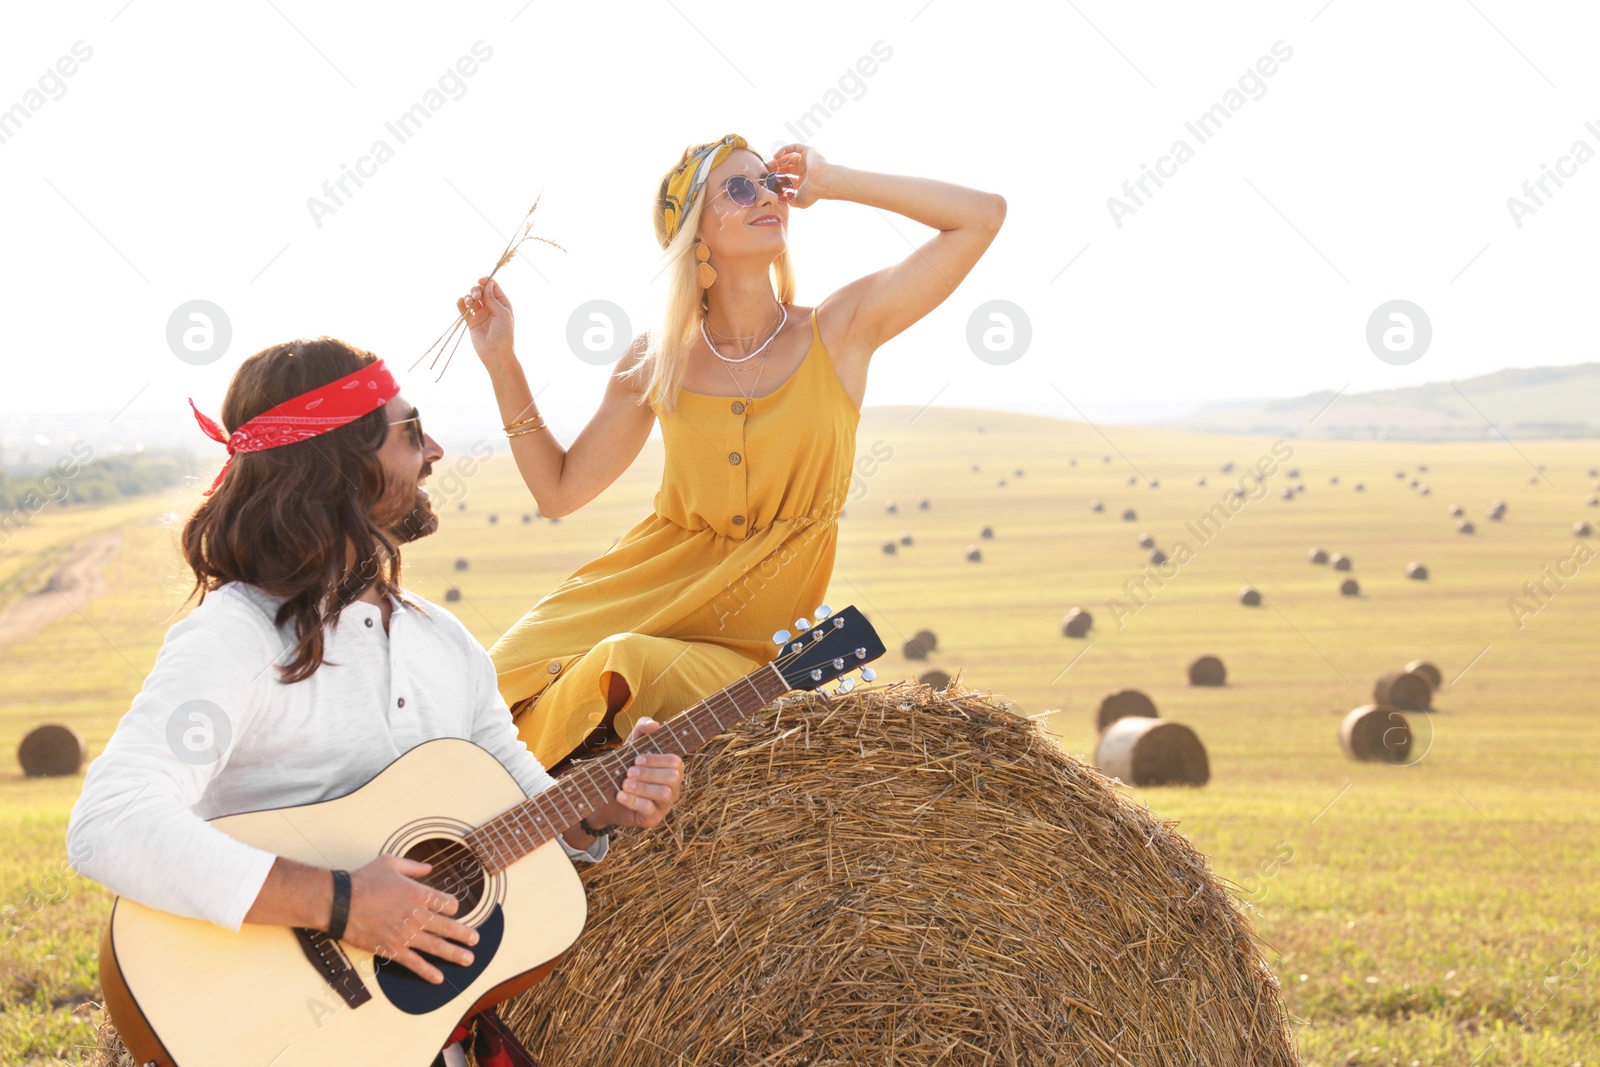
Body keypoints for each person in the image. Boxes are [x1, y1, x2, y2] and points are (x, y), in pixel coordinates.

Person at [65, 338, 684, 1067]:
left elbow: (520, 802)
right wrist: (341, 902)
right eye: (412, 432)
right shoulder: (236, 636)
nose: (438, 452)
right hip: (277, 1035)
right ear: (338, 462)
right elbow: (110, 821)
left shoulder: (442, 639)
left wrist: (596, 808)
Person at [464, 133, 1005, 771]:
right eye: (740, 189)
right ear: (698, 234)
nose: (767, 198)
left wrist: (832, 181)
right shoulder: (654, 359)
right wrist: (503, 364)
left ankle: (518, 824)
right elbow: (558, 492)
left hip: (745, 644)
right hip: (637, 587)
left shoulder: (840, 329)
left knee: (623, 662)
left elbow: (981, 216)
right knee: (479, 689)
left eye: (770, 182)